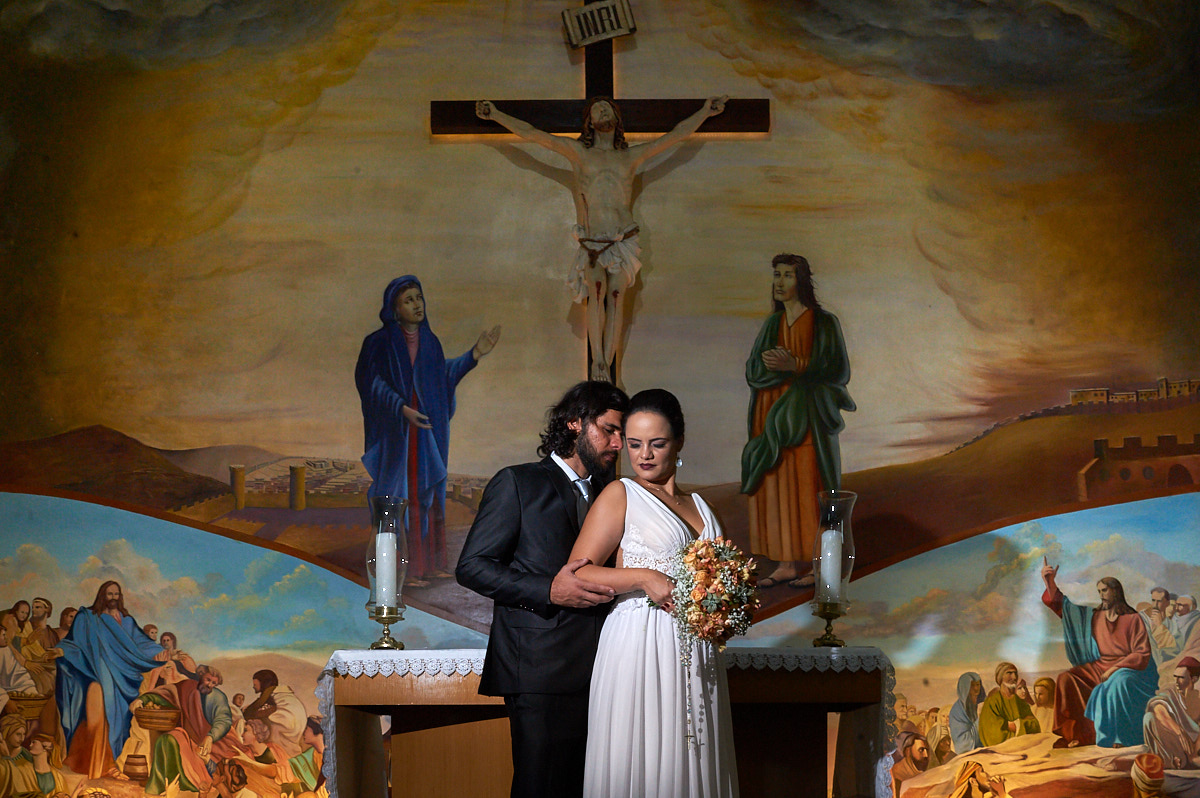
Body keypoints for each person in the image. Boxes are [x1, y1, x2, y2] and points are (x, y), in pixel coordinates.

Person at [456, 380, 628, 798]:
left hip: (606, 669)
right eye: (608, 429)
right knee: (541, 787)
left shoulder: (614, 494)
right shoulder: (518, 483)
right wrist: (549, 590)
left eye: (622, 433)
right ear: (574, 423)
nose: (618, 443)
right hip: (537, 669)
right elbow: (472, 567)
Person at [475, 97, 726, 381]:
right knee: (596, 291)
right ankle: (598, 365)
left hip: (622, 238)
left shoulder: (630, 157)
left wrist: (705, 112)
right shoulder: (579, 152)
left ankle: (607, 365)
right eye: (597, 109)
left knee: (617, 297)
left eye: (607, 108)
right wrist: (496, 115)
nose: (603, 111)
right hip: (593, 241)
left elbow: (675, 136)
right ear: (590, 123)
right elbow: (533, 135)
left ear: (617, 120)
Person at [567, 389, 738, 797]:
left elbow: (723, 576)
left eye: (657, 444)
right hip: (640, 642)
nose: (644, 454)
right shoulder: (620, 494)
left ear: (678, 442)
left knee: (694, 756)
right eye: (634, 443)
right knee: (642, 754)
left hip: (697, 650)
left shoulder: (703, 506)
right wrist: (644, 577)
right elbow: (579, 573)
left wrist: (728, 604)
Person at [356, 275, 501, 587]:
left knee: (428, 495)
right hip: (399, 435)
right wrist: (400, 407)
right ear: (394, 310)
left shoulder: (430, 342)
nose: (417, 304)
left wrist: (474, 354)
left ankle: (428, 566)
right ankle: (400, 572)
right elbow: (371, 383)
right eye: (408, 300)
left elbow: (442, 375)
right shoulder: (378, 343)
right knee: (400, 496)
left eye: (418, 297)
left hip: (426, 436)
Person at [740, 254, 855, 589]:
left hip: (806, 419)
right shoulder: (771, 325)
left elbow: (837, 370)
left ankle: (815, 563)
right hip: (770, 415)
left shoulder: (824, 322)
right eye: (776, 274)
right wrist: (770, 366)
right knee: (777, 486)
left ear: (801, 281)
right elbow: (753, 369)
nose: (779, 282)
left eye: (787, 275)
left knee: (808, 486)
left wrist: (798, 365)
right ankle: (787, 563)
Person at [1040, 560, 1157, 747]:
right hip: (1100, 665)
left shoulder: (1132, 618)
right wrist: (1049, 583)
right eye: (1099, 591)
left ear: (1116, 591)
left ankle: (1119, 737)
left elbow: (1142, 653)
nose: (1101, 595)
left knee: (1118, 682)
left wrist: (1115, 669)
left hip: (1129, 668)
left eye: (1105, 590)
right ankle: (1079, 735)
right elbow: (1066, 609)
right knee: (1066, 678)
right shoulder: (1095, 616)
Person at [55, 580, 163, 778]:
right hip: (98, 672)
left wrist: (160, 652)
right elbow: (75, 643)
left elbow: (142, 643)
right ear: (102, 595)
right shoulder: (88, 618)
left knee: (122, 718)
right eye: (109, 593)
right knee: (100, 716)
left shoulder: (127, 621)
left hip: (125, 677)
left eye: (116, 594)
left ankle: (115, 763)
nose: (113, 598)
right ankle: (102, 764)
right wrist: (62, 650)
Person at [1142, 656, 1200, 769]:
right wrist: (1178, 731)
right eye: (1175, 677)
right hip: (1174, 741)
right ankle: (1169, 760)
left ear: (1194, 679)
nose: (1177, 682)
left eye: (1181, 678)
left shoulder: (1197, 699)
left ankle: (1187, 760)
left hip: (1193, 748)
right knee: (1149, 718)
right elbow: (1158, 708)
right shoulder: (1171, 692)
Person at [979, 662, 1039, 745]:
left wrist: (1017, 724)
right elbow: (989, 730)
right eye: (1009, 673)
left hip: (1023, 745)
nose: (1014, 677)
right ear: (1001, 677)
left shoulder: (1019, 701)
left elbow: (1034, 724)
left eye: (1015, 673)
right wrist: (1006, 725)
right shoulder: (992, 701)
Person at [949, 672, 984, 755]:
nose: (976, 689)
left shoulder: (982, 704)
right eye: (972, 685)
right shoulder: (957, 712)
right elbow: (962, 744)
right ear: (965, 688)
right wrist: (980, 718)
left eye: (978, 685)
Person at [890, 731, 929, 796]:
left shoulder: (923, 775)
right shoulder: (896, 776)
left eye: (926, 750)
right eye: (921, 750)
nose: (926, 755)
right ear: (907, 751)